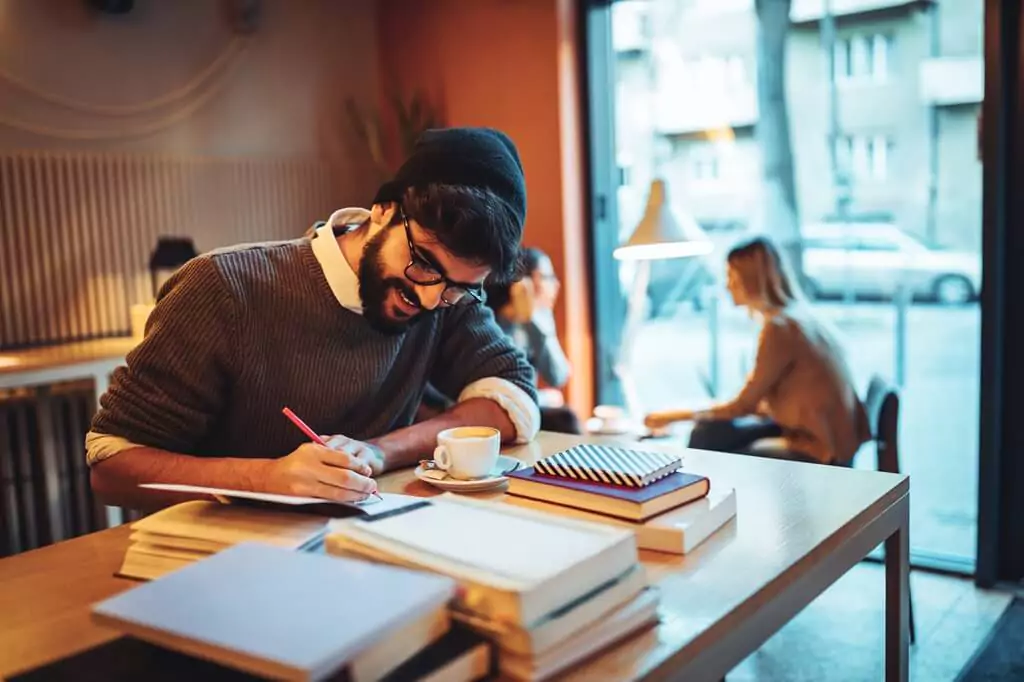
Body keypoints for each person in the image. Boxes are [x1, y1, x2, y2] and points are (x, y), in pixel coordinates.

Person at [87, 127, 540, 509]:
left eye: (458, 287)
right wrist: (267, 478)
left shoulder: (447, 297)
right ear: (383, 210)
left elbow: (512, 396)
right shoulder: (225, 287)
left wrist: (380, 451)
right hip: (225, 566)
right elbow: (112, 467)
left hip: (366, 548)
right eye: (423, 261)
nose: (427, 298)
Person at [644, 236, 869, 465]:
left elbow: (743, 406)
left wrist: (672, 416)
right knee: (711, 434)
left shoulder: (779, 329)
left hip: (819, 449)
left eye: (732, 276)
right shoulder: (799, 317)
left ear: (751, 280)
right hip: (833, 441)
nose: (727, 285)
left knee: (708, 443)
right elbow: (760, 404)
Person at [485, 247, 581, 434]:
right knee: (567, 421)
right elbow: (504, 392)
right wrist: (544, 398)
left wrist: (534, 321)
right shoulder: (490, 323)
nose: (556, 284)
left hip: (526, 407)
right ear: (524, 282)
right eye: (548, 277)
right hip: (501, 410)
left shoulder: (540, 317)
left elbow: (558, 375)